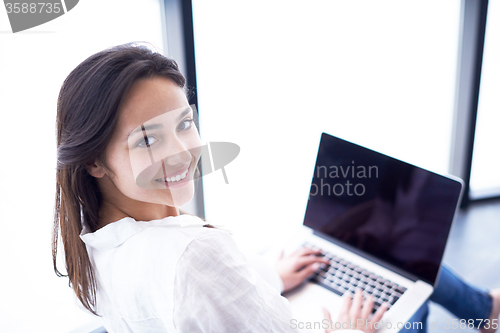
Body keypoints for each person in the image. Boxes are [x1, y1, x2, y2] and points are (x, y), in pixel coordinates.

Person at [52, 42, 500, 333]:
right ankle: (483, 311)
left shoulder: (96, 246)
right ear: (93, 160)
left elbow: (202, 306)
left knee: (392, 254)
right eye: (148, 139)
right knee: (405, 275)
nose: (182, 152)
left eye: (185, 123)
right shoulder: (194, 254)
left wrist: (267, 277)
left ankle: (484, 309)